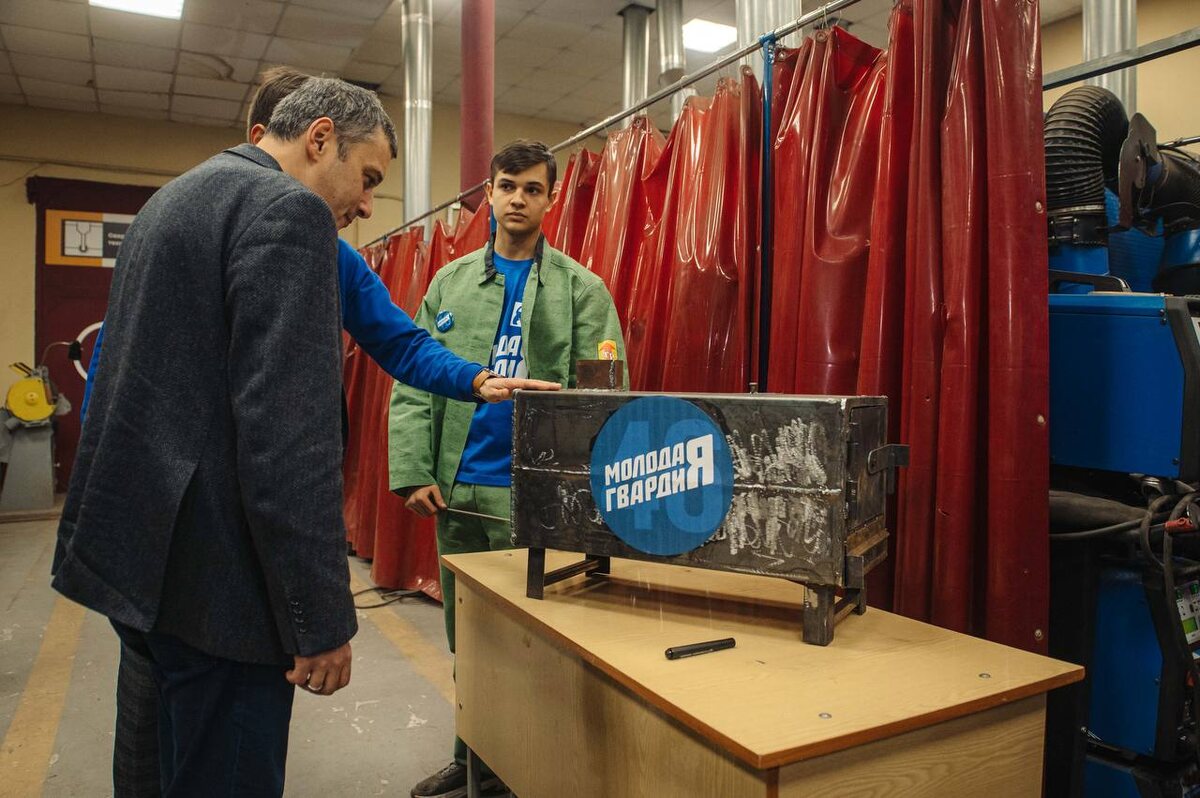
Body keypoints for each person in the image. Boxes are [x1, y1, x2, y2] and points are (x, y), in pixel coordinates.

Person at [81, 68, 560, 798]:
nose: (367, 205)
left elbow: (396, 340)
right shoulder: (292, 219)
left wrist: (474, 379)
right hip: (218, 576)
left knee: (152, 756)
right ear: (317, 138)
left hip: (138, 554)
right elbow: (289, 441)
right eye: (367, 179)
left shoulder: (171, 201)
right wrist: (319, 618)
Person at [389, 140, 628, 798]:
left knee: (538, 642)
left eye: (532, 189)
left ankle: (533, 767)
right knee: (468, 637)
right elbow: (411, 381)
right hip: (460, 490)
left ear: (551, 199)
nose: (517, 199)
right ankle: (473, 757)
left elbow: (603, 399)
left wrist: (583, 500)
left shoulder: (582, 290)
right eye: (506, 186)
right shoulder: (450, 283)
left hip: (535, 499)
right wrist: (412, 468)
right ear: (489, 194)